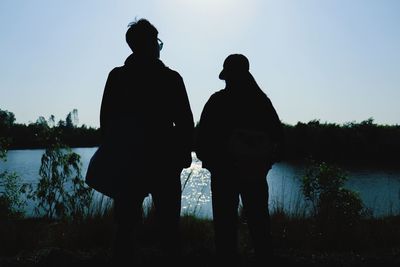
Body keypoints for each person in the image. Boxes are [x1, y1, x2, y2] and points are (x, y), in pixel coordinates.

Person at [99, 19, 194, 265]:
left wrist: (113, 157)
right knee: (169, 226)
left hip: (127, 162)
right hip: (163, 161)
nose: (159, 46)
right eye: (157, 41)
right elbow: (185, 122)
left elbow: (106, 122)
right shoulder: (171, 78)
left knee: (125, 226)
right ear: (151, 44)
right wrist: (183, 156)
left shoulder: (117, 77)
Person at [196, 54, 284, 265]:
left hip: (224, 173)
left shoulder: (217, 101)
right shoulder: (261, 101)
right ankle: (264, 258)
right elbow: (278, 136)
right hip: (254, 173)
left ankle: (227, 259)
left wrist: (212, 162)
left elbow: (201, 139)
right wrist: (264, 163)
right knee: (259, 221)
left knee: (225, 224)